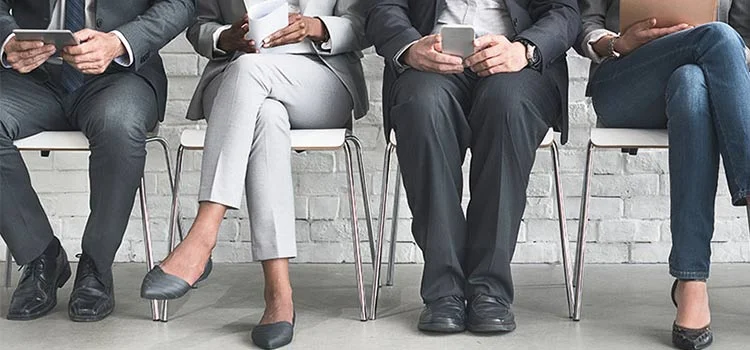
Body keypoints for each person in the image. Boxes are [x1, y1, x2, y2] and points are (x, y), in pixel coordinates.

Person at [140, 0, 368, 348]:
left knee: (251, 72)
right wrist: (224, 38)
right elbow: (200, 27)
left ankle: (202, 237)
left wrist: (317, 27)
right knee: (266, 114)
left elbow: (364, 23)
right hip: (237, 81)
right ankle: (279, 294)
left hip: (320, 75)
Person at [366, 0, 580, 334]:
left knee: (506, 107)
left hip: (515, 63)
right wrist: (409, 48)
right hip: (432, 63)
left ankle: (489, 291)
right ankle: (443, 292)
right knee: (422, 108)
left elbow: (564, 11)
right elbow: (383, 7)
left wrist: (525, 50)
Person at [0, 0, 194, 322]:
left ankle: (96, 265)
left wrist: (120, 41)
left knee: (119, 125)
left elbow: (182, 3)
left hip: (119, 76)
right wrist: (6, 40)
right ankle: (41, 256)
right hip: (32, 78)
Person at [576, 0, 750, 348]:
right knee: (717, 36)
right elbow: (585, 23)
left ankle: (691, 282)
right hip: (626, 81)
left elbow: (742, 39)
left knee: (691, 83)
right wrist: (617, 43)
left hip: (704, 81)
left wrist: (724, 49)